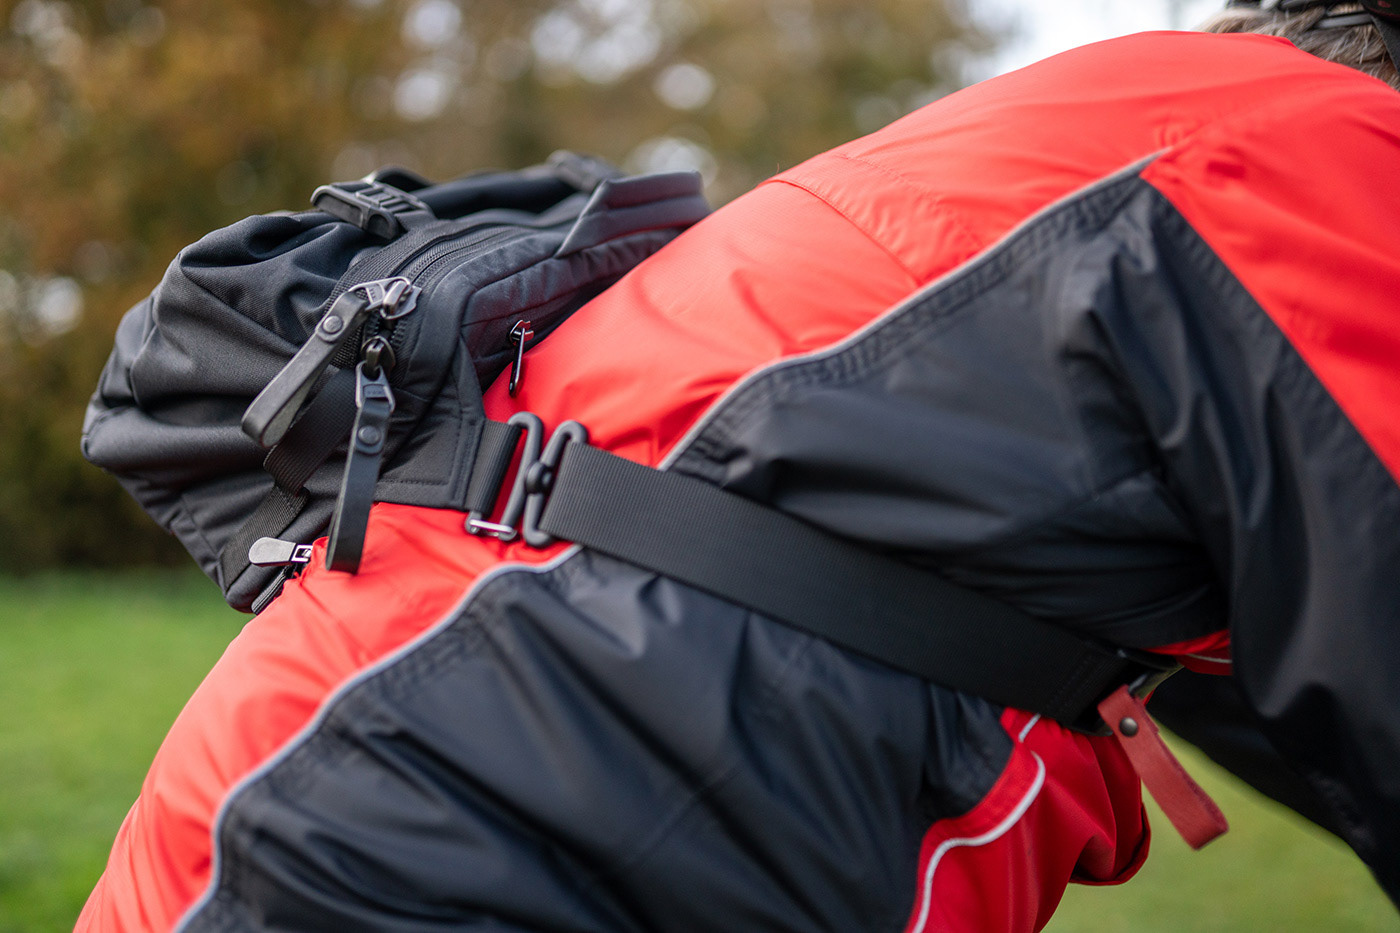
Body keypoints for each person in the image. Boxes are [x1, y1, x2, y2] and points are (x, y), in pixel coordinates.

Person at [78, 2, 1400, 929]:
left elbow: (1312, 632)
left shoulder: (1151, 122)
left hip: (405, 787)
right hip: (469, 843)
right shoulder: (1313, 165)